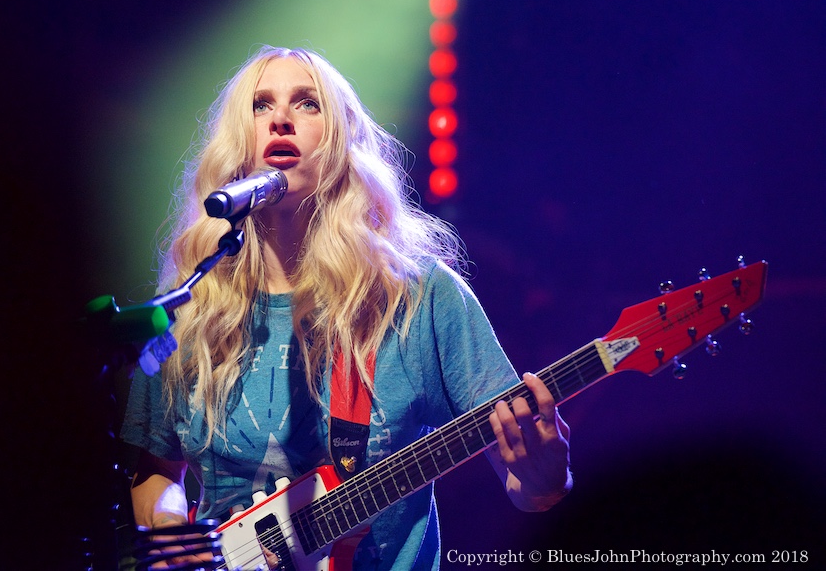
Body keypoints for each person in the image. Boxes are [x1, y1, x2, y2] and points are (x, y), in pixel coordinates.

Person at [121, 45, 572, 571]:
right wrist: (174, 540)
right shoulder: (189, 306)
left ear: (341, 144)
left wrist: (546, 476)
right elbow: (155, 471)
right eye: (261, 106)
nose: (282, 120)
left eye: (308, 103)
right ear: (237, 143)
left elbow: (526, 489)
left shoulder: (417, 297)